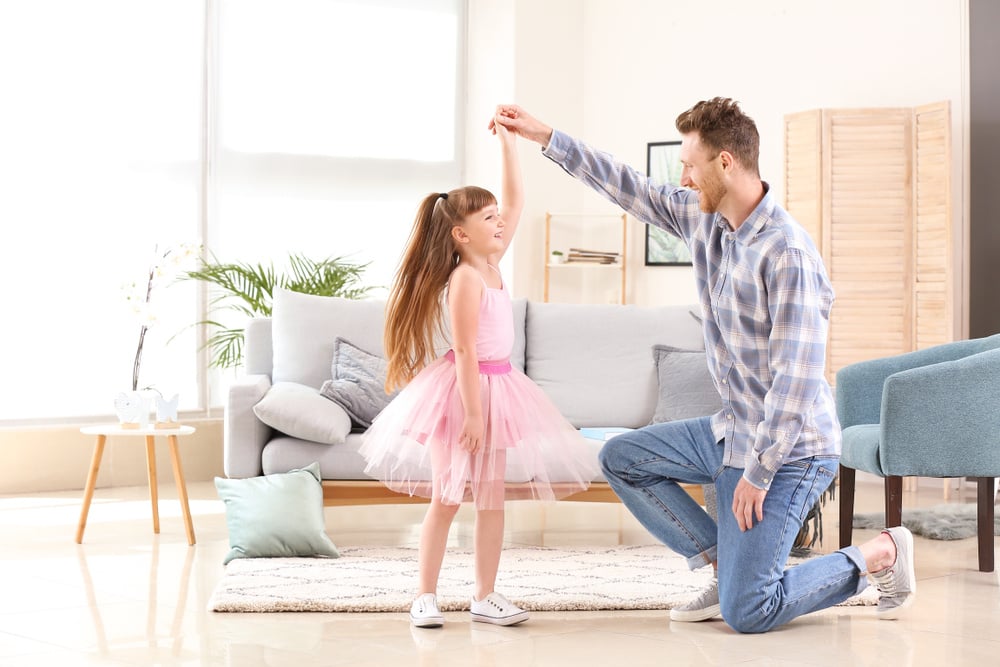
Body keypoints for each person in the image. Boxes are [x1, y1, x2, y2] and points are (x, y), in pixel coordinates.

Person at [492, 99, 916, 634]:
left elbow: (797, 380)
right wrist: (544, 135)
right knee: (622, 457)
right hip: (729, 432)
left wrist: (759, 474)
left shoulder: (787, 253)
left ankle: (880, 553)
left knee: (750, 611)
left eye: (689, 165)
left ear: (725, 164)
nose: (683, 178)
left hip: (791, 450)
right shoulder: (704, 219)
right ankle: (728, 564)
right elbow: (627, 184)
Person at [359, 114, 599, 630]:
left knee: (491, 501)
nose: (500, 223)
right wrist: (472, 415)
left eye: (497, 218)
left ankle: (484, 595)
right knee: (448, 495)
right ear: (462, 234)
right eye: (489, 220)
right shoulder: (466, 278)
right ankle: (424, 595)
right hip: (463, 396)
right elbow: (465, 351)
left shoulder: (492, 263)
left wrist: (511, 144)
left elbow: (516, 201)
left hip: (501, 387)